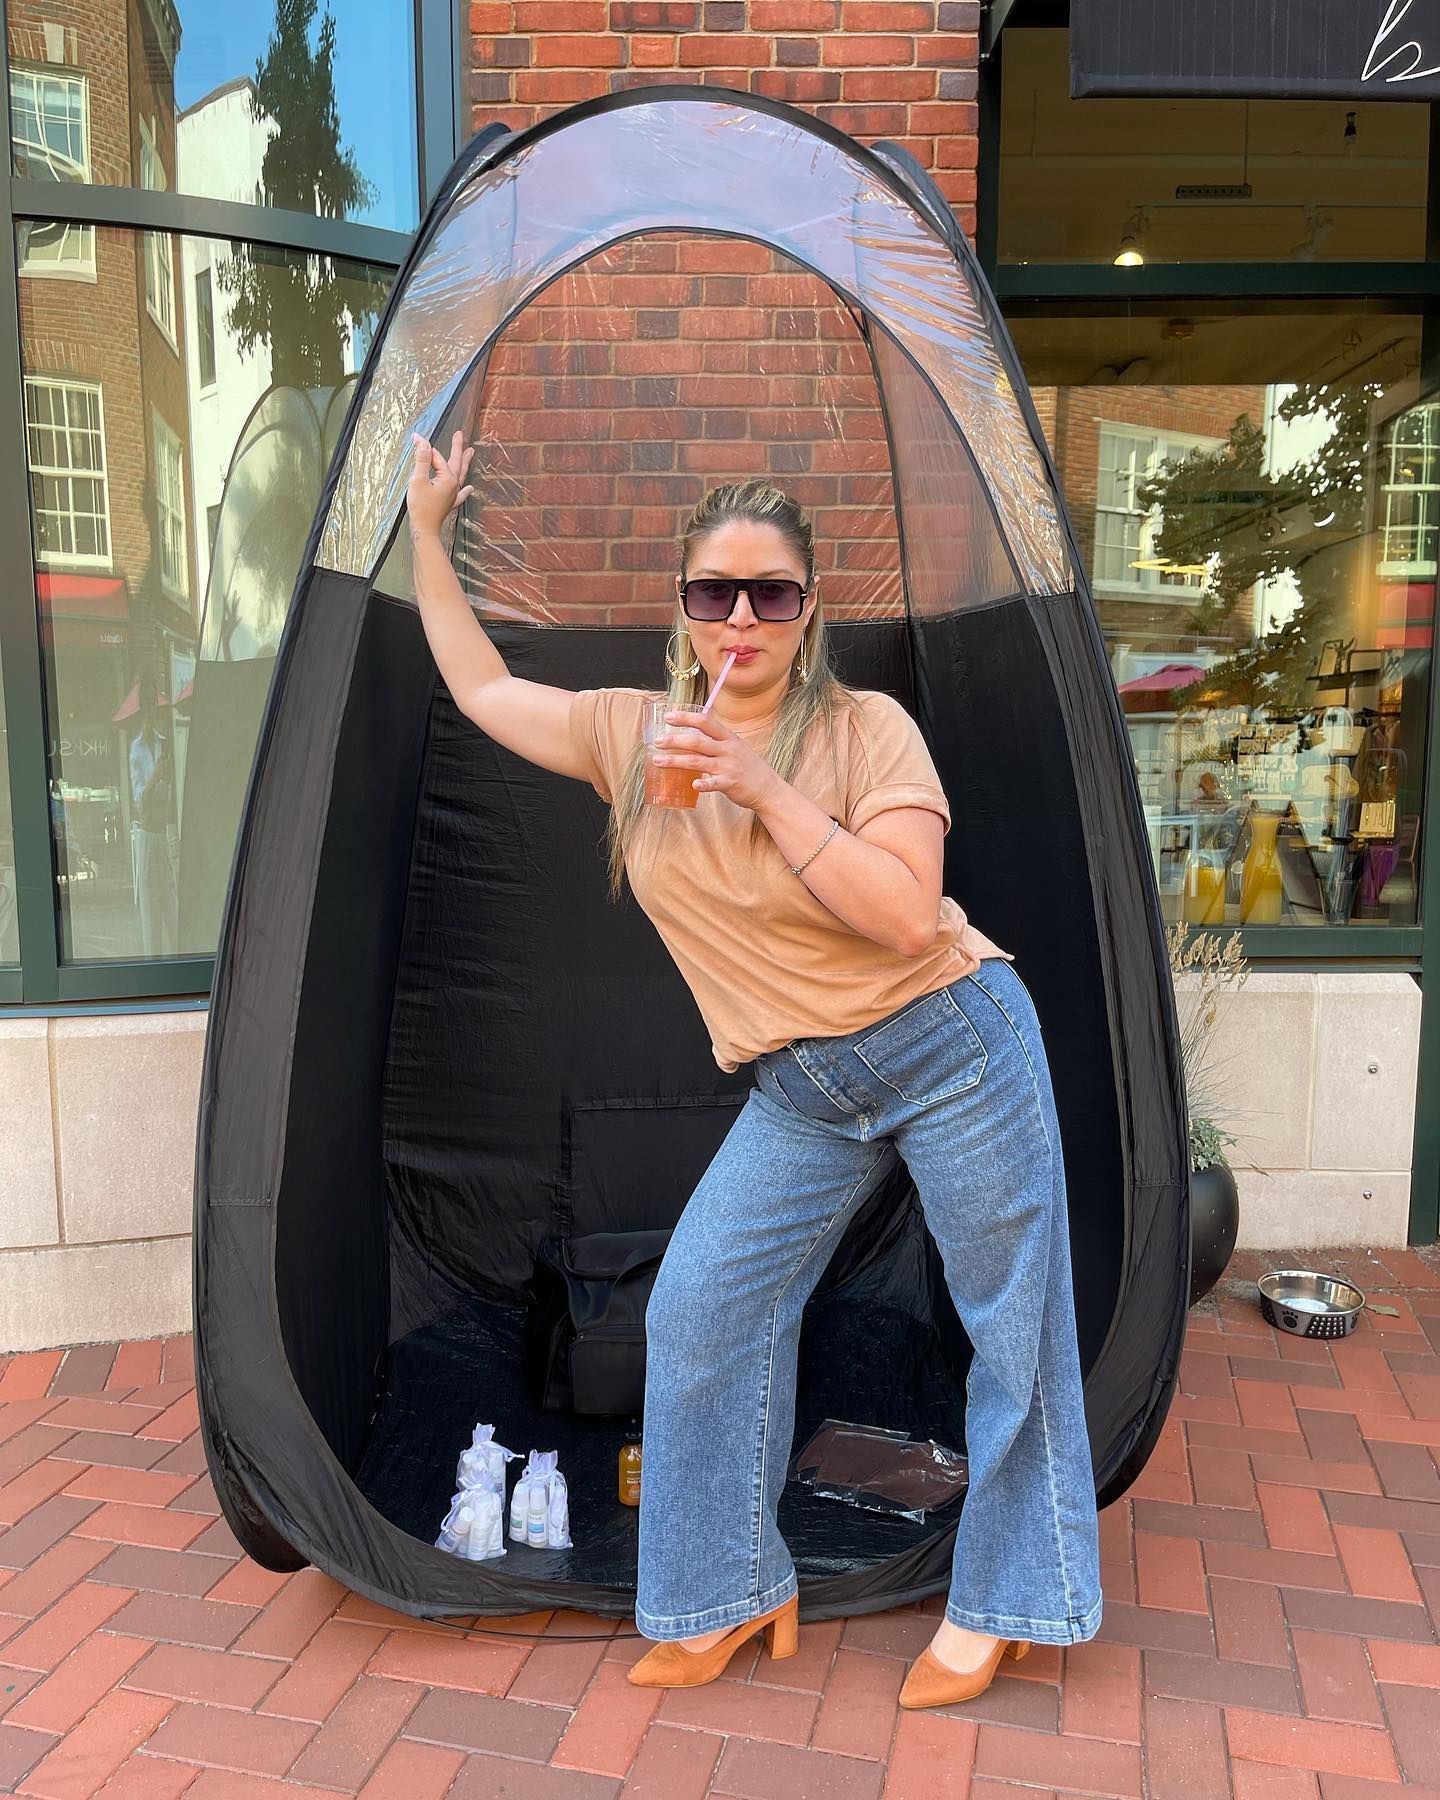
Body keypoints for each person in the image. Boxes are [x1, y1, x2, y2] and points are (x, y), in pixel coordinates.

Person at [406, 430, 1101, 1707]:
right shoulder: (633, 736)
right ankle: (731, 1590)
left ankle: (1013, 1601)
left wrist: (762, 786)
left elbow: (903, 916)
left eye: (770, 593)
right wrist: (425, 538)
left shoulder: (864, 729)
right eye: (713, 592)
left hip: (949, 1042)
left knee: (1013, 1322)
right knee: (702, 1308)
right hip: (807, 1088)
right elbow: (485, 690)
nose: (741, 617)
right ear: (679, 607)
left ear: (807, 610)